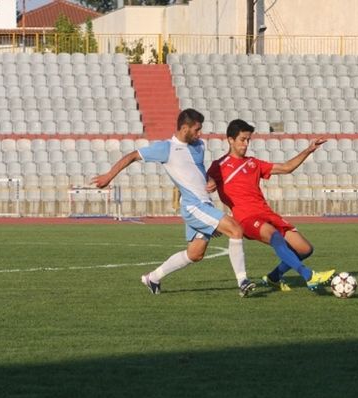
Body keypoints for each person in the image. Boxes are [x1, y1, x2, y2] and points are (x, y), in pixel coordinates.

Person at [91, 109, 256, 297]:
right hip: (194, 206)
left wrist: (209, 179)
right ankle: (243, 281)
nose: (200, 134)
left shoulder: (199, 145)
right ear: (184, 128)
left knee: (195, 254)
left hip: (205, 204)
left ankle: (153, 278)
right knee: (236, 229)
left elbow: (197, 171)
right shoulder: (166, 148)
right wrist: (108, 176)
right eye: (197, 129)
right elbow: (132, 156)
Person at [207, 119, 335, 292]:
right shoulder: (218, 166)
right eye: (242, 139)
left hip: (267, 214)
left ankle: (273, 277)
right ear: (230, 140)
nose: (246, 144)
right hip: (246, 218)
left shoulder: (253, 163)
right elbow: (203, 191)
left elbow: (286, 168)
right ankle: (309, 276)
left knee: (305, 249)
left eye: (248, 140)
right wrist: (212, 221)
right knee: (275, 237)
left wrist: (309, 150)